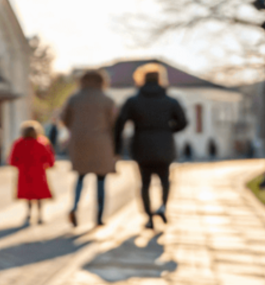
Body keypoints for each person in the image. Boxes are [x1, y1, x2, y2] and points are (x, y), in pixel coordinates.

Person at [115, 64, 188, 229]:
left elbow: (120, 123)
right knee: (165, 180)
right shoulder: (170, 101)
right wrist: (167, 130)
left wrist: (117, 147)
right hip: (164, 145)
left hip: (142, 145)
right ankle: (162, 207)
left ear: (141, 79)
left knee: (145, 183)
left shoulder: (133, 101)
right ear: (161, 79)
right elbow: (183, 122)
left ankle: (148, 217)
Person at [61, 70, 118, 228]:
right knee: (101, 180)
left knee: (80, 178)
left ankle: (74, 207)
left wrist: (76, 130)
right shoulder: (107, 100)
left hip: (80, 143)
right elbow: (114, 123)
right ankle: (99, 216)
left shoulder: (74, 98)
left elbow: (65, 119)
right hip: (102, 143)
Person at [10, 120, 56, 225]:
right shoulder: (42, 143)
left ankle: (29, 213)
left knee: (28, 196)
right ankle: (40, 215)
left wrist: (20, 165)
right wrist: (48, 165)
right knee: (39, 195)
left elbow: (13, 160)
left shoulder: (18, 143)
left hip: (24, 173)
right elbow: (50, 159)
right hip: (39, 173)